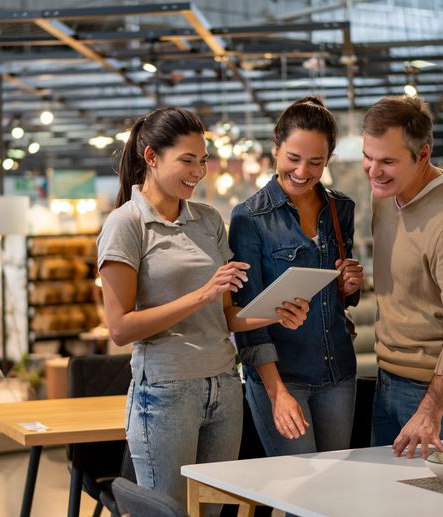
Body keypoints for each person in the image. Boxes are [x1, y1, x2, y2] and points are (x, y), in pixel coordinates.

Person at [97, 107, 308, 509]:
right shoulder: (125, 225)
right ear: (152, 157)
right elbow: (120, 329)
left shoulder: (209, 219)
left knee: (215, 509)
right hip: (164, 394)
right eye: (187, 160)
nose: (199, 171)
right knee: (169, 510)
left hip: (225, 387)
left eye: (203, 160)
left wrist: (276, 312)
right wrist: (201, 294)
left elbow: (227, 315)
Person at [228, 97, 364, 457]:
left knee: (336, 493)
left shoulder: (340, 209)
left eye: (315, 162)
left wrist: (348, 286)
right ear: (276, 149)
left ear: (328, 160)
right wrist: (276, 392)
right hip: (282, 377)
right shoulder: (249, 219)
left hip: (338, 373)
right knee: (299, 495)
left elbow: (338, 296)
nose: (303, 171)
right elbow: (247, 318)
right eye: (293, 158)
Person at [362, 95, 443, 458]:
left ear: (423, 155)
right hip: (388, 379)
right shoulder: (386, 195)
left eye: (388, 161)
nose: (374, 171)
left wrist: (430, 410)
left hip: (442, 394)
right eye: (368, 157)